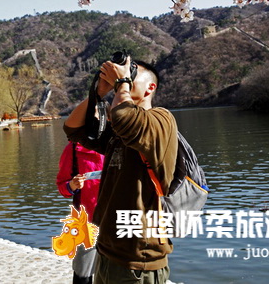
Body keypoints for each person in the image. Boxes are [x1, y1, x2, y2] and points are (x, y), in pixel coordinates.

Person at [63, 55, 178, 284]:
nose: (124, 79)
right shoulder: (118, 133)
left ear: (150, 88)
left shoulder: (161, 119)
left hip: (137, 259)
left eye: (133, 76)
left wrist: (121, 82)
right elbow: (73, 128)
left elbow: (125, 117)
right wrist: (98, 93)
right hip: (107, 252)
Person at [56, 141, 104, 284]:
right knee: (83, 274)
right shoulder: (72, 149)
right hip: (86, 223)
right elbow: (62, 186)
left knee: (115, 273)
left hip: (114, 220)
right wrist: (71, 185)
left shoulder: (117, 145)